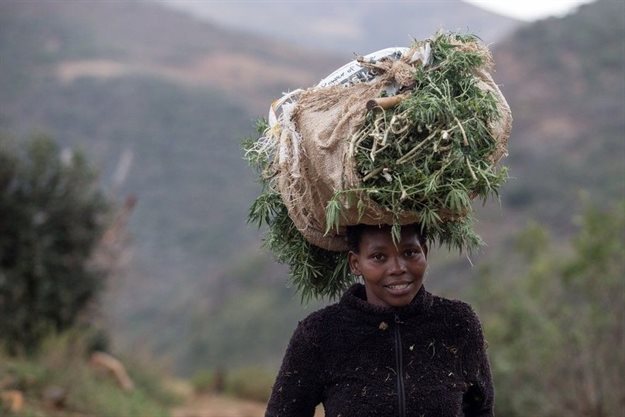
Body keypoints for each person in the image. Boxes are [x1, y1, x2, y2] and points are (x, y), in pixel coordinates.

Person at [265, 224, 494, 417]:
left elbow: (481, 410)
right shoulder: (319, 334)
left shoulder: (457, 324)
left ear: (425, 251)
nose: (397, 268)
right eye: (379, 257)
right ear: (355, 263)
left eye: (409, 252)